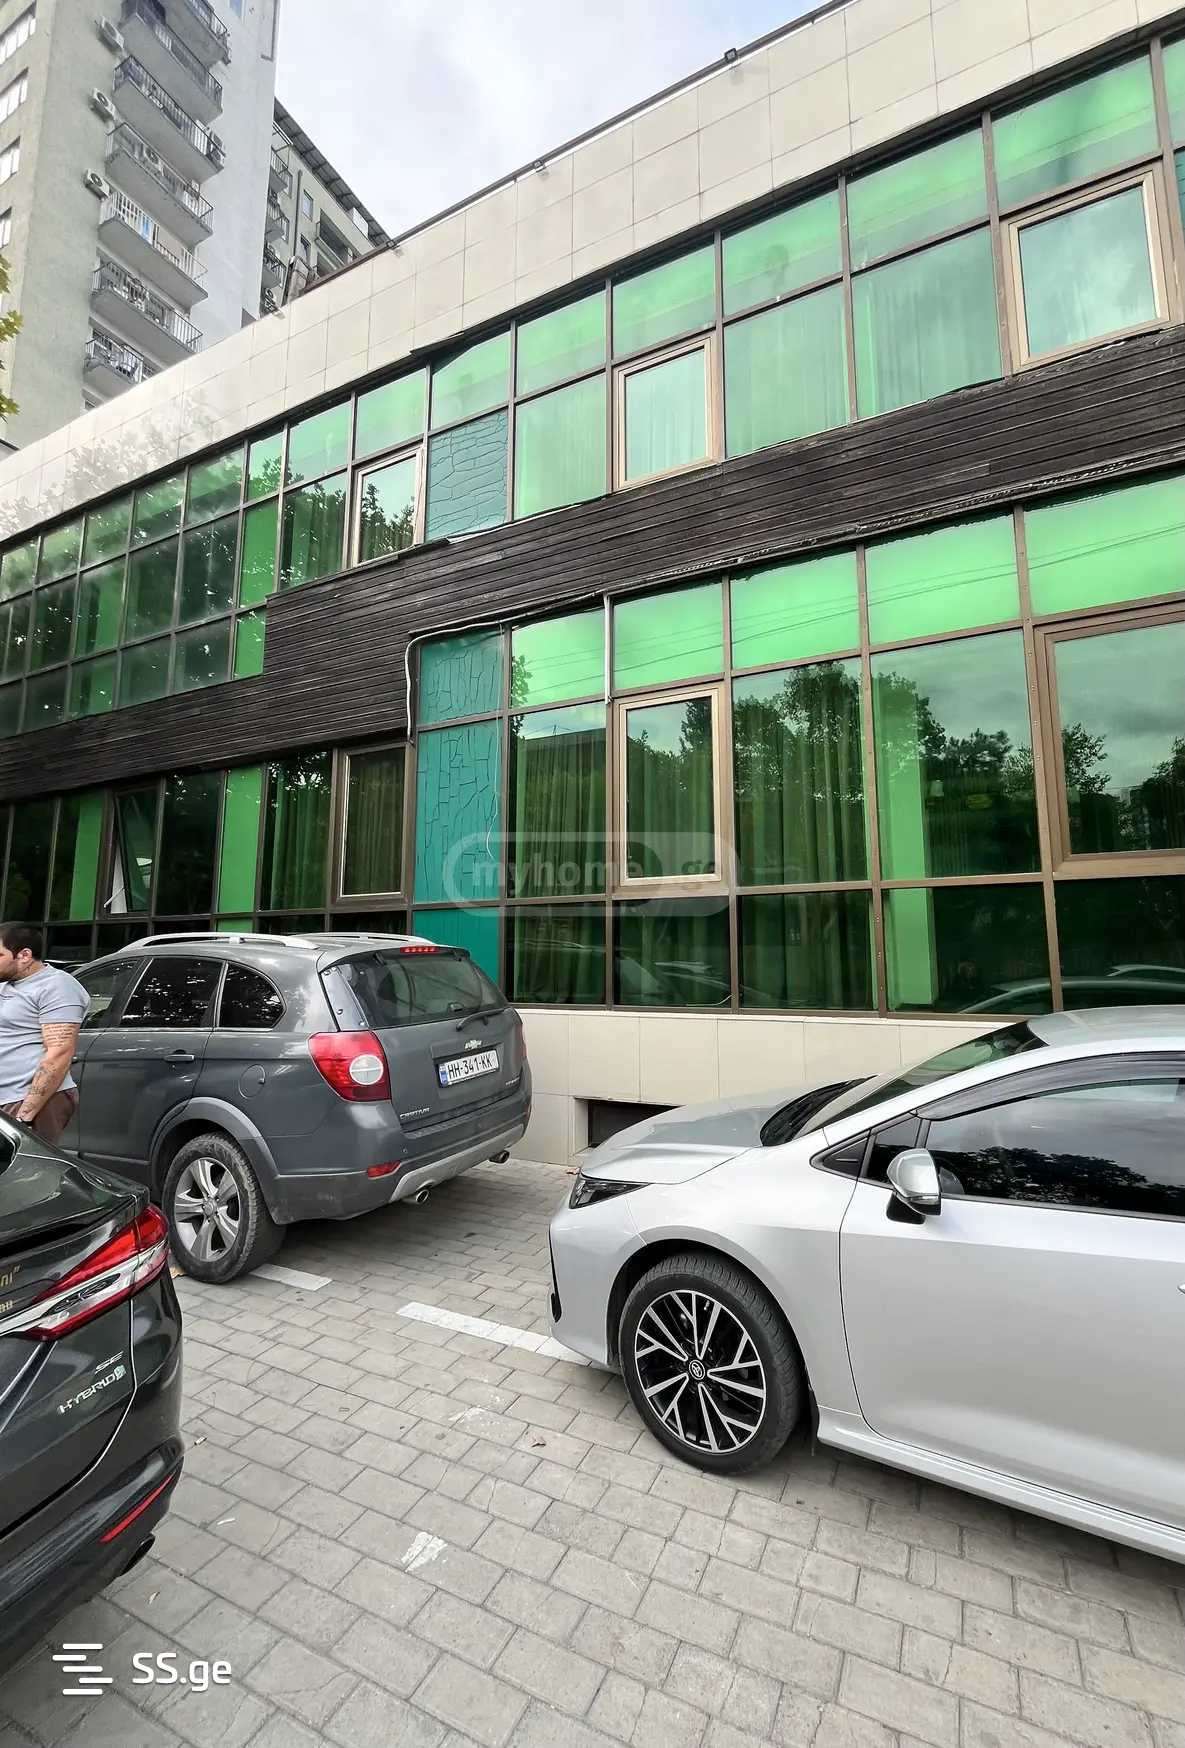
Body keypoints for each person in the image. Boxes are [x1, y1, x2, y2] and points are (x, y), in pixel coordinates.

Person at [0, 923, 89, 1146]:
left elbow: (59, 1054)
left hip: (28, 1100)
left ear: (24, 955)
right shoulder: (7, 984)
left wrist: (24, 1118)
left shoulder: (58, 987)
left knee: (26, 1168)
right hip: (5, 1097)